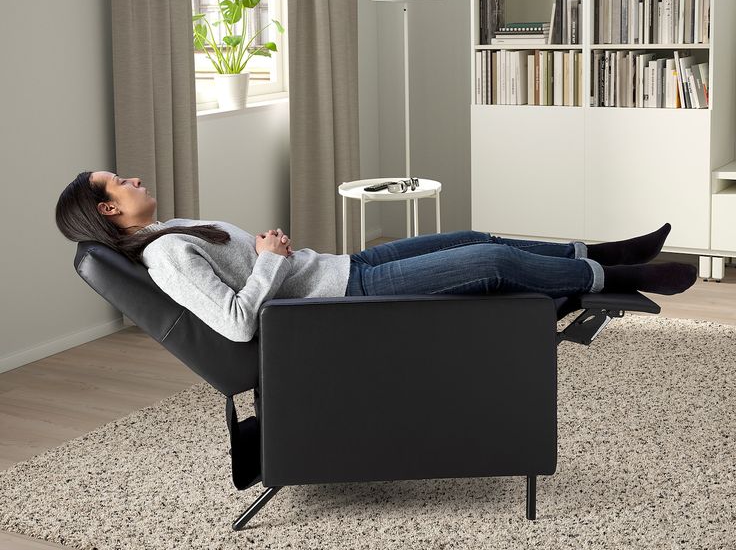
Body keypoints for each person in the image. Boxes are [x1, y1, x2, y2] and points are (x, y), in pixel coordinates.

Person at [55, 171, 697, 343]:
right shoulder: (166, 255)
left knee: (476, 236)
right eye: (121, 182)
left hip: (346, 269)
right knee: (488, 262)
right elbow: (236, 322)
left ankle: (598, 251)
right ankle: (615, 274)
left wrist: (274, 256)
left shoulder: (167, 229)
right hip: (343, 301)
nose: (134, 178)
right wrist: (271, 259)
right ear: (109, 210)